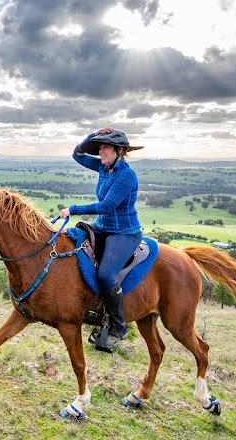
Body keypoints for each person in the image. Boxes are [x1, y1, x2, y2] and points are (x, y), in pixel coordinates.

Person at [58, 128, 143, 352]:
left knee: (105, 275)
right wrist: (92, 135)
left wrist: (73, 209)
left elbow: (106, 207)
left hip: (123, 233)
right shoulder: (104, 167)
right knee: (72, 240)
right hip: (103, 227)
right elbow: (77, 155)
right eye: (99, 147)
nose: (100, 151)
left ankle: (118, 325)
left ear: (119, 150)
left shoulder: (126, 175)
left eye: (105, 146)